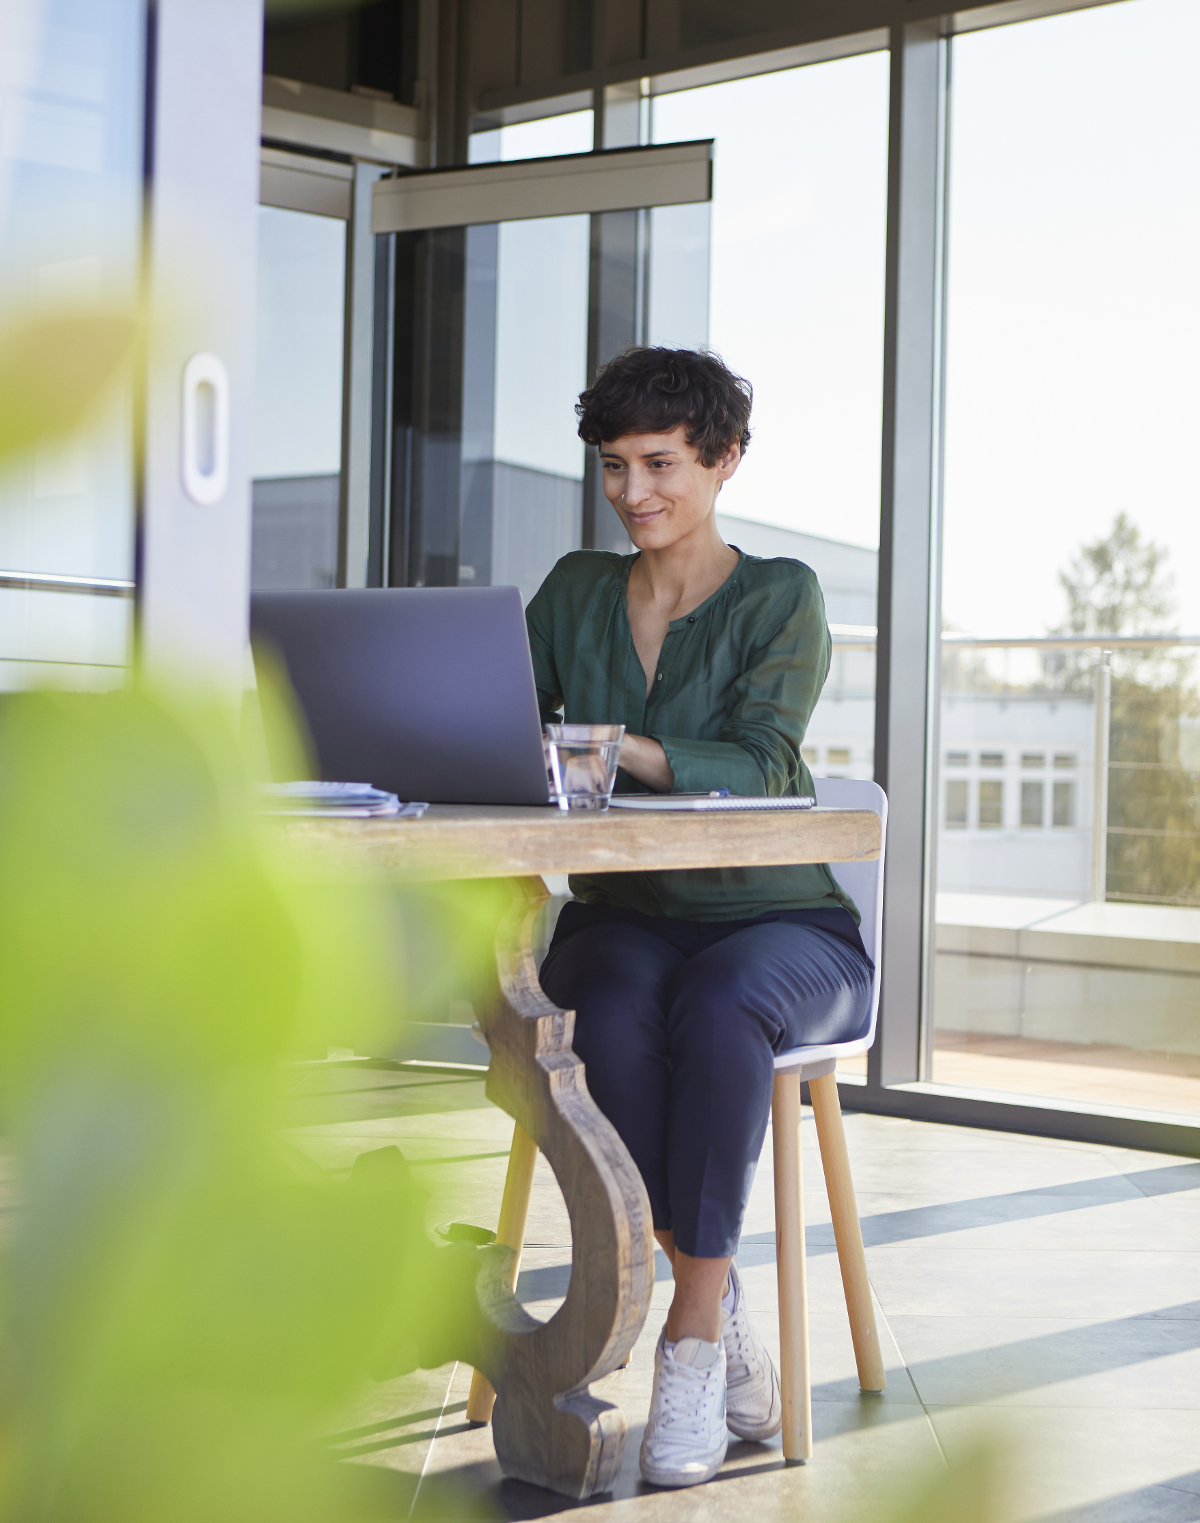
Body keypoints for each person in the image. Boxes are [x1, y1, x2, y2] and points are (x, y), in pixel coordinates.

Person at [525, 347, 873, 1489]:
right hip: (628, 911)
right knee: (604, 1008)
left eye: (662, 462)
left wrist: (613, 744)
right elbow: (503, 721)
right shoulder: (574, 589)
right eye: (616, 466)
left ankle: (687, 1334)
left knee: (721, 1009)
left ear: (725, 460)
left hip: (777, 924)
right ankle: (715, 1313)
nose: (634, 493)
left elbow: (767, 759)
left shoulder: (781, 594)